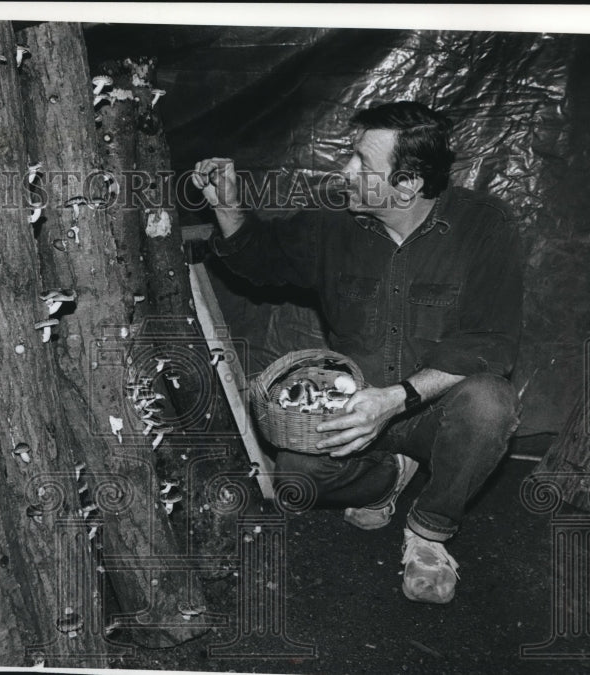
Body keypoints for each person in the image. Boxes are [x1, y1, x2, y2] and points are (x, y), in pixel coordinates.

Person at [193, 101, 523, 604]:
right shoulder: (335, 224)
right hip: (360, 408)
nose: (345, 172)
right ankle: (389, 477)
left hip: (438, 408)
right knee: (296, 477)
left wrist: (395, 399)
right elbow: (261, 259)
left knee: (490, 404)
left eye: (362, 164)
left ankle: (429, 534)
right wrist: (226, 206)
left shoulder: (484, 226)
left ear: (408, 183)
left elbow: (490, 344)